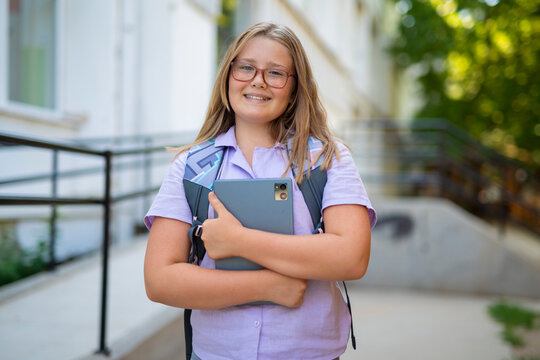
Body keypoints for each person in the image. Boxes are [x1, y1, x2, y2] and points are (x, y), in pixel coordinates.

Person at [143, 22, 376, 360]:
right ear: (228, 76)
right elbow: (159, 280)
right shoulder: (191, 166)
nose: (258, 80)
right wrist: (268, 286)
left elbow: (352, 258)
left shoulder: (327, 158)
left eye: (276, 73)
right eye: (246, 67)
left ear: (295, 89)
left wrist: (239, 241)